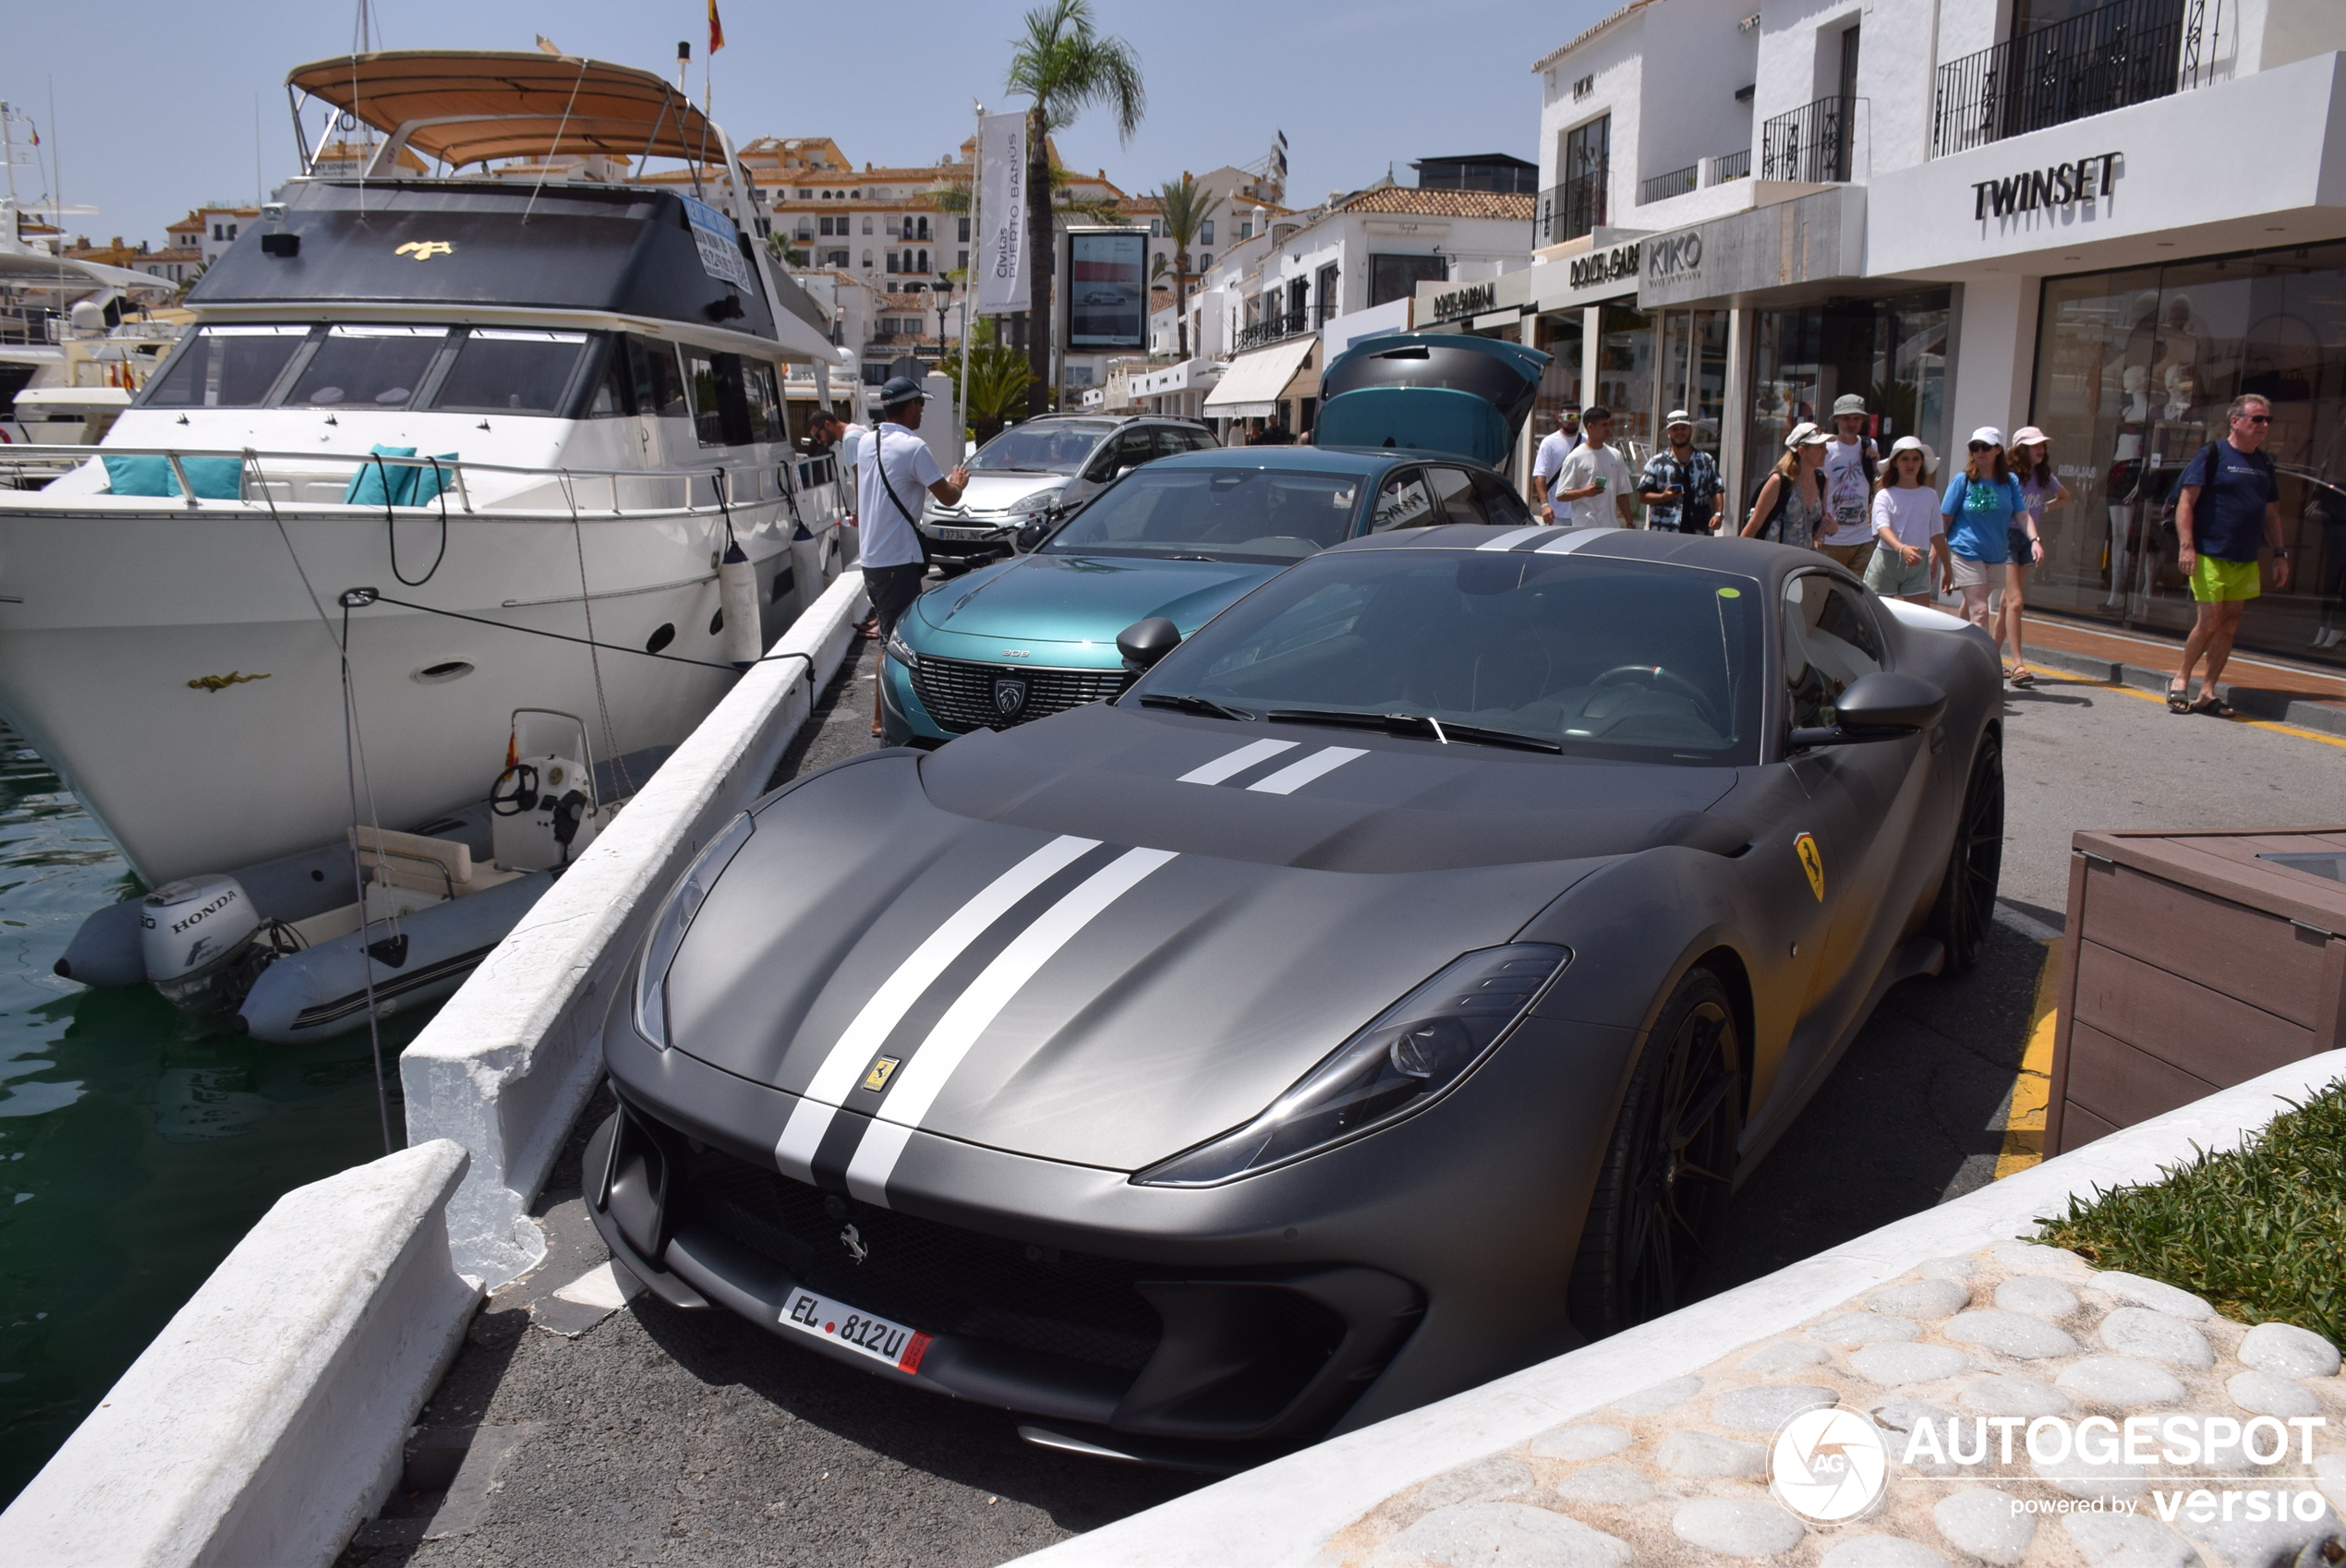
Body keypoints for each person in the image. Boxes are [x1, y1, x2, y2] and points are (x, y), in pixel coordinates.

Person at [858, 375, 970, 735]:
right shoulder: (913, 447)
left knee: (890, 635)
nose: (922, 410)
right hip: (897, 560)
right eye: (920, 404)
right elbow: (948, 497)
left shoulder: (865, 442)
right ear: (909, 407)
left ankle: (883, 715)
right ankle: (880, 720)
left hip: (872, 557)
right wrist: (958, 481)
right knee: (894, 640)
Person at [2169, 393, 2291, 717]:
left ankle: (2207, 692)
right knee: (2208, 622)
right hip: (2209, 554)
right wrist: (2186, 546)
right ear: (2235, 421)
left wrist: (2280, 553)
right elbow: (2186, 503)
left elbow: (2272, 513)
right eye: (2257, 419)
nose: (2264, 425)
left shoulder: (2264, 463)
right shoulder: (2212, 454)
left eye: (2267, 420)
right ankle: (2181, 679)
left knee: (2228, 626)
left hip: (2245, 558)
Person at [1940, 428, 2023, 639]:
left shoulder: (2010, 481)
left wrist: (2035, 540)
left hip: (1996, 553)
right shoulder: (1963, 480)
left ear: (1997, 450)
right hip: (1966, 550)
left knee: (1972, 606)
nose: (1979, 451)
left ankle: (1957, 647)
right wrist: (1937, 557)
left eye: (1985, 446)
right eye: (1974, 447)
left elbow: (2022, 514)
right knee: (1981, 611)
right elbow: (1945, 520)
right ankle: (1981, 665)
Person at [2001, 426, 2066, 688]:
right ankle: (2018, 664)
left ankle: (1990, 657)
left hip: (2029, 539)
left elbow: (2065, 497)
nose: (2040, 449)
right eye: (2033, 445)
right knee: (2016, 601)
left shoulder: (2043, 475)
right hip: (2006, 537)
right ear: (2020, 450)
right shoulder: (2007, 477)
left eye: (2042, 445)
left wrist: (2041, 510)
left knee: (2008, 603)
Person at [1864, 436, 1948, 605]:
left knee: (1919, 619)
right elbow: (1882, 528)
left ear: (1921, 462)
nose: (1910, 464)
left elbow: (1937, 534)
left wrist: (1948, 566)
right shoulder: (1884, 494)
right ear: (1895, 462)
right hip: (1887, 560)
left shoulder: (1929, 495)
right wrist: (1901, 548)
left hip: (1918, 560)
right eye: (1905, 459)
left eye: (1915, 459)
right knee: (1877, 617)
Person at [1818, 392, 1881, 575]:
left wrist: (1877, 464)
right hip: (1832, 538)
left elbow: (1877, 483)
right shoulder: (1827, 448)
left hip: (1862, 536)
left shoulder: (1869, 445)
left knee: (1856, 593)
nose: (1851, 423)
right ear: (1836, 419)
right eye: (1846, 418)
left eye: (1856, 418)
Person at [1741, 423, 1831, 549]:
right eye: (1820, 447)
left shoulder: (1822, 480)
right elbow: (1755, 524)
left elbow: (1817, 526)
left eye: (1825, 446)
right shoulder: (1779, 481)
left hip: (1804, 561)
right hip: (1774, 559)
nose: (1826, 451)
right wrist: (1737, 554)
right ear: (1802, 451)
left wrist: (1831, 528)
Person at [1637, 410, 1723, 534]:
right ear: (1668, 433)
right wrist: (1663, 497)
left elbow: (1716, 490)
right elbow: (1642, 496)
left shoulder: (1706, 461)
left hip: (1698, 531)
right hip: (1665, 531)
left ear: (1690, 430)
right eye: (1675, 429)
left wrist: (1718, 514)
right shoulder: (1656, 462)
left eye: (1683, 428)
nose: (1679, 432)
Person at [1553, 405, 1634, 527]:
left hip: (1610, 527)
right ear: (1590, 427)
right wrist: (1584, 492)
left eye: (1609, 424)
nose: (1608, 429)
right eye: (1604, 425)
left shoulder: (1616, 455)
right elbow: (1561, 495)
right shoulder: (1575, 457)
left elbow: (1622, 495)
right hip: (1584, 527)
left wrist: (1629, 522)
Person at [1531, 407, 1583, 523]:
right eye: (1568, 416)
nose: (1572, 421)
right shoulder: (1549, 442)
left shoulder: (1586, 441)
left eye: (1576, 417)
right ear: (1560, 418)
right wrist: (1545, 504)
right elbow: (1540, 475)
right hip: (1557, 512)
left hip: (1582, 512)